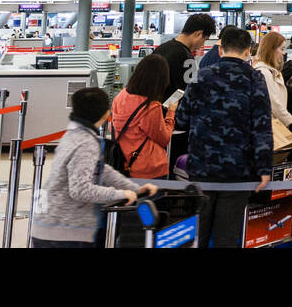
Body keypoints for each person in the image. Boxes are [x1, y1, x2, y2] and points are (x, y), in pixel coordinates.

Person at [174, 26, 272, 247]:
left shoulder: (200, 76)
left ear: (220, 49)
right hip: (238, 171)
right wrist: (264, 169)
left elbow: (181, 119)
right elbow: (262, 126)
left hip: (201, 167)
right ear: (248, 51)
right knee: (226, 237)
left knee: (199, 234)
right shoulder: (254, 78)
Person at [31, 87, 153, 248]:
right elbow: (80, 190)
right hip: (65, 234)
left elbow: (101, 169)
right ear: (106, 115)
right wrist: (120, 193)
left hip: (52, 228)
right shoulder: (86, 143)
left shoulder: (74, 135)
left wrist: (135, 189)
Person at [109, 53, 178, 179]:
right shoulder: (151, 107)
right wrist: (170, 113)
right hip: (149, 169)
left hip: (122, 163)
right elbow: (164, 139)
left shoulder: (120, 97)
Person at [153, 13, 217, 97]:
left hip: (152, 106)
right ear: (198, 34)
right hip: (171, 108)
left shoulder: (160, 48)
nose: (202, 44)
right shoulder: (188, 58)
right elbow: (191, 91)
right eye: (204, 39)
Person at [253, 31, 292, 136]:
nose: (284, 53)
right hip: (270, 129)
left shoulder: (272, 71)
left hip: (274, 127)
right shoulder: (263, 72)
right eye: (282, 49)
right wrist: (291, 121)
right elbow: (274, 103)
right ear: (271, 50)